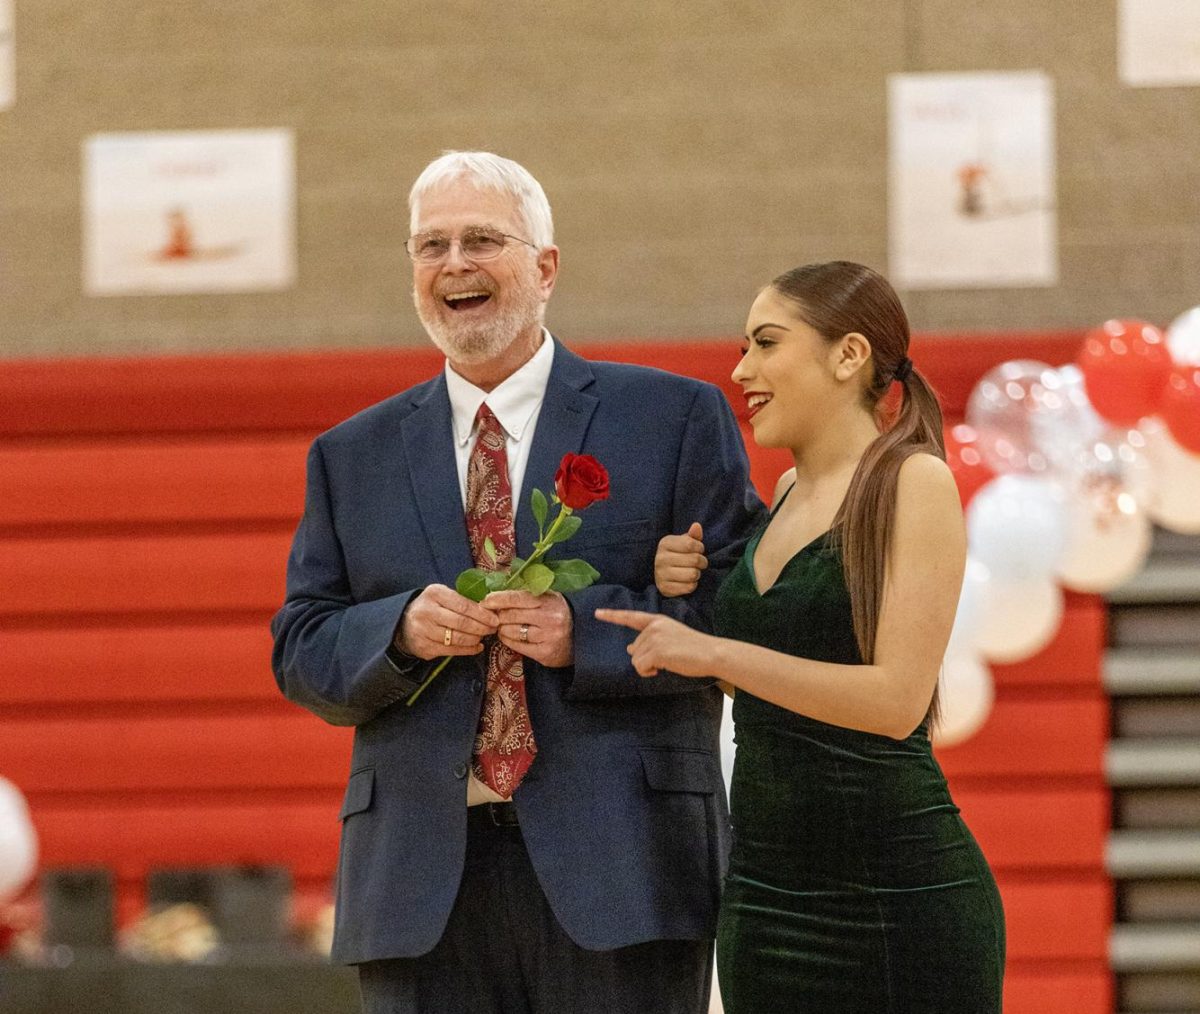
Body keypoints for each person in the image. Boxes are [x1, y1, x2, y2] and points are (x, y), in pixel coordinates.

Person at [270, 151, 762, 1014]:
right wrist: (396, 632)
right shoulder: (350, 456)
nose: (453, 263)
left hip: (627, 871)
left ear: (544, 267)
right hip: (418, 887)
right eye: (431, 246)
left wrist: (590, 636)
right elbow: (301, 646)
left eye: (481, 240)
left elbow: (737, 619)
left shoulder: (672, 418)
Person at [598, 261, 1005, 1013]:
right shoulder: (782, 496)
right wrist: (690, 589)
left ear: (847, 355)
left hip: (900, 897)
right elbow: (765, 680)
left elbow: (895, 702)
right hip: (763, 895)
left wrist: (715, 651)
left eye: (765, 343)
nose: (740, 368)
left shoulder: (913, 481)